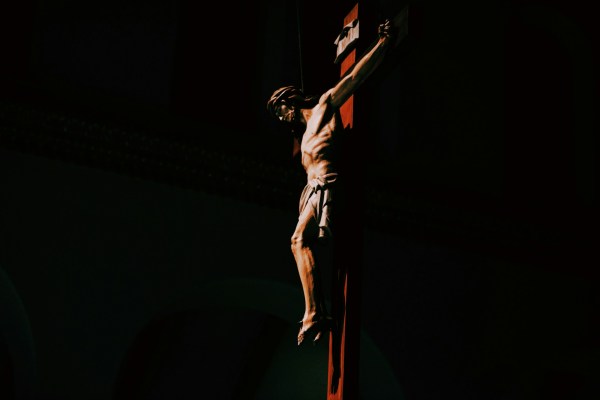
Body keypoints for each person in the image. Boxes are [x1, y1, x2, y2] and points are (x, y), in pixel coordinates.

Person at [266, 19, 397, 346]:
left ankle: (315, 312)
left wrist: (382, 43)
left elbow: (353, 78)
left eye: (281, 110)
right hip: (312, 190)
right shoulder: (302, 138)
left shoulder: (323, 107)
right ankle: (315, 310)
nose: (282, 118)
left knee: (298, 240)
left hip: (327, 183)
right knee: (298, 241)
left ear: (290, 101)